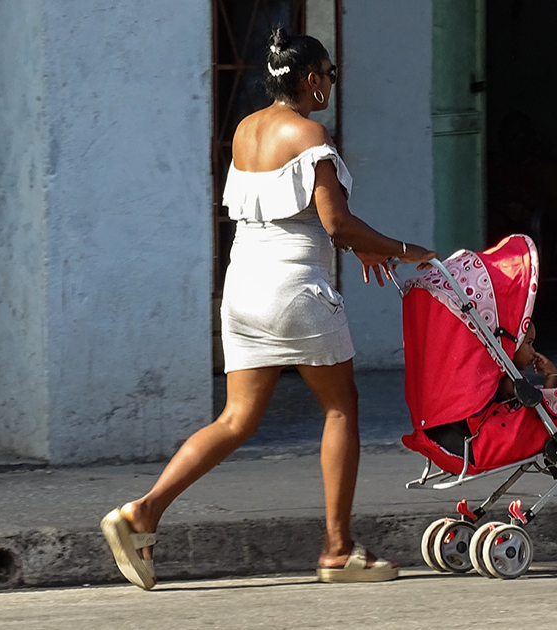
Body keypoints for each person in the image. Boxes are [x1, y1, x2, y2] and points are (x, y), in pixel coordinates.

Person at [100, 28, 435, 590]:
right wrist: (406, 250)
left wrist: (363, 247)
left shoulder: (245, 130)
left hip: (243, 289)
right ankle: (337, 549)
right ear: (309, 79)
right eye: (329, 74)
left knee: (236, 419)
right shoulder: (309, 133)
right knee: (340, 408)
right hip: (296, 291)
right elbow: (337, 224)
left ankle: (142, 513)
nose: (331, 83)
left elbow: (289, 215)